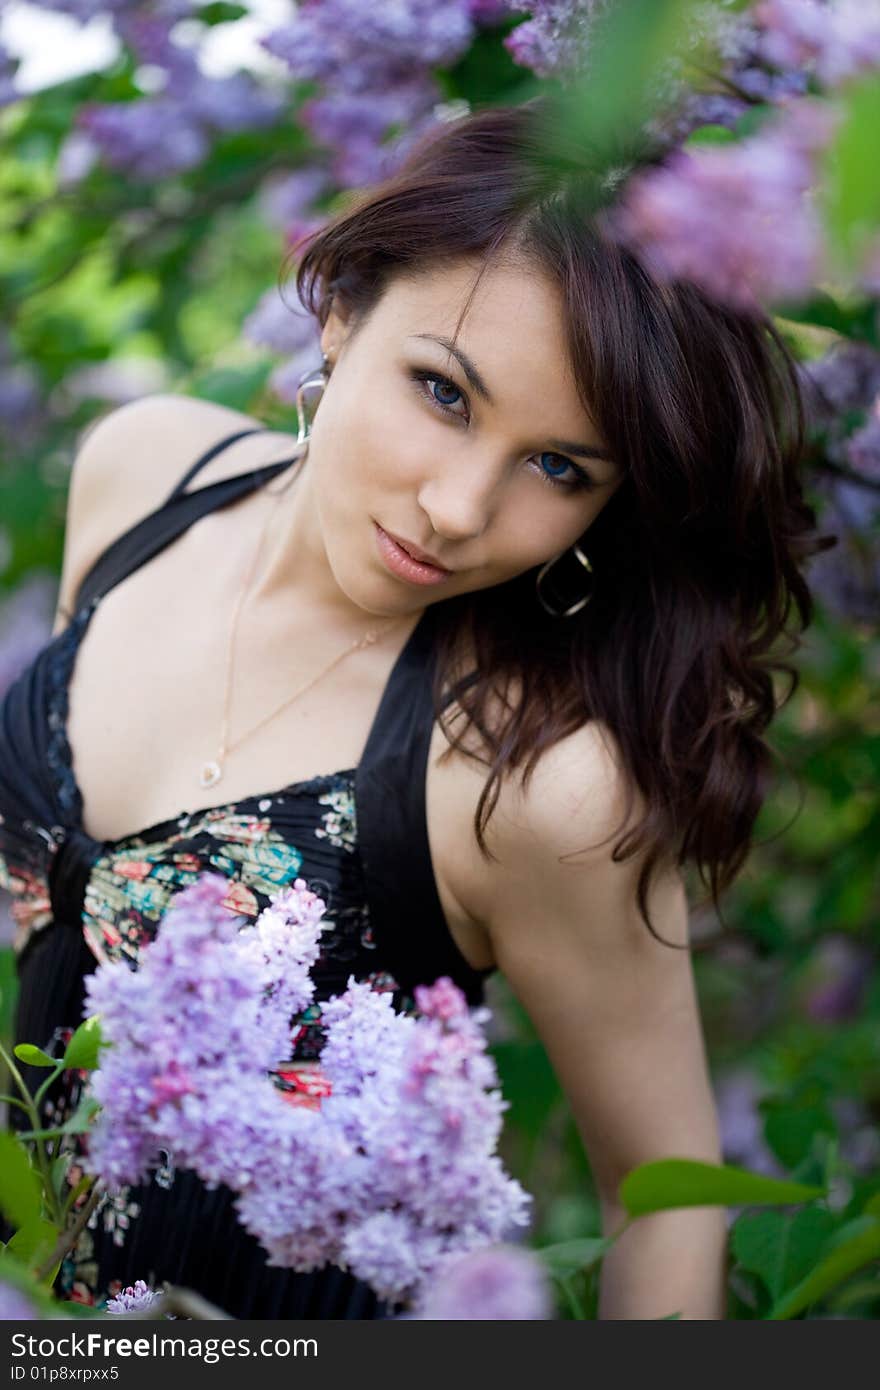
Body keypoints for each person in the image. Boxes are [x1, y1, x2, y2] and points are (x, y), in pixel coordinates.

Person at [0, 102, 826, 1320]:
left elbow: (665, 1200)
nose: (453, 507)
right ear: (341, 307)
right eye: (443, 391)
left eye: (558, 468)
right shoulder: (144, 474)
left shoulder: (531, 779)